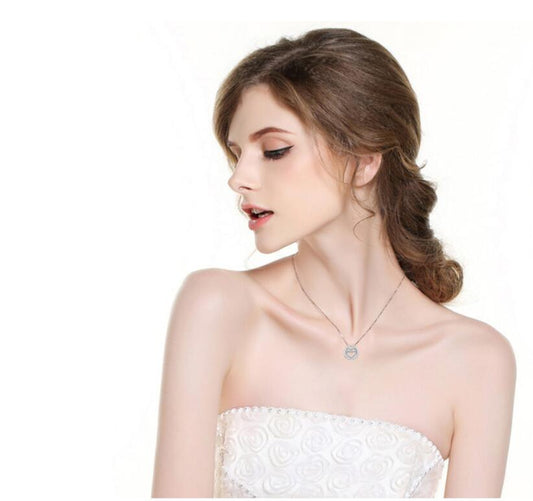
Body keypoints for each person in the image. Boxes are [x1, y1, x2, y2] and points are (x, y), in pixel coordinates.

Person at [151, 27, 516, 498]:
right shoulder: (217, 307)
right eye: (237, 155)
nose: (239, 178)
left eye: (274, 151)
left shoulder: (477, 359)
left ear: (364, 161)